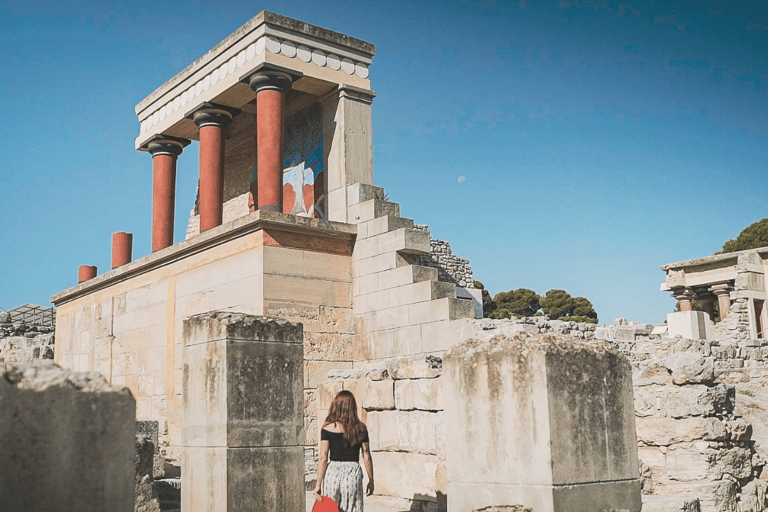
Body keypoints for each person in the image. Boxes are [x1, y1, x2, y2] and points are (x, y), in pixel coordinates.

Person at [313, 390, 374, 512]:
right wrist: (371, 479)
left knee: (330, 509)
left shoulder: (327, 428)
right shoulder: (361, 428)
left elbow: (323, 457)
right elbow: (366, 455)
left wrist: (318, 484)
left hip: (332, 473)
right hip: (352, 473)